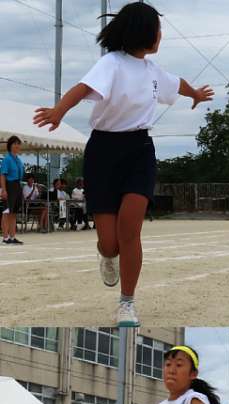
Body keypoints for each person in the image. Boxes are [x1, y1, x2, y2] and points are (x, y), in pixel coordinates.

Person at [34, 2, 214, 328]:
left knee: (130, 229)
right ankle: (106, 255)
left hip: (139, 151)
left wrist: (196, 95)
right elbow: (82, 89)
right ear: (144, 32)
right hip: (103, 152)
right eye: (158, 29)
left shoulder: (153, 71)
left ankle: (127, 303)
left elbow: (179, 83)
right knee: (110, 242)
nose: (161, 35)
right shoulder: (112, 63)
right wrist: (59, 110)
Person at [0, 135, 24, 245]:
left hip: (17, 185)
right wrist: (4, 190)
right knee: (6, 212)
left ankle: (12, 236)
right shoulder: (7, 159)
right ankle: (5, 238)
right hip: (9, 185)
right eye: (15, 143)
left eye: (18, 144)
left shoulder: (18, 160)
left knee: (14, 213)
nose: (17, 146)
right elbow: (2, 175)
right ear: (10, 145)